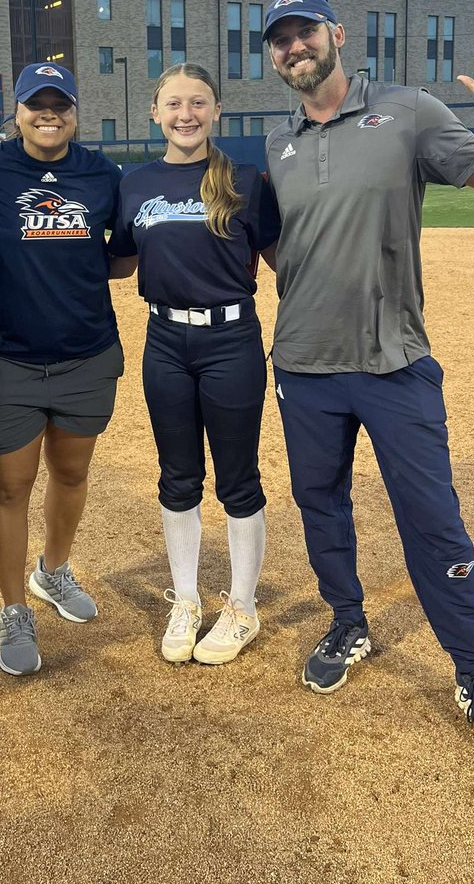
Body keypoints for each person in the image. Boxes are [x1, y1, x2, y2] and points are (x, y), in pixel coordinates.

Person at [261, 0, 474, 763]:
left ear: (336, 36)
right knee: (320, 504)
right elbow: (280, 241)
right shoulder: (277, 141)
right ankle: (348, 623)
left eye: (303, 33)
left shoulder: (406, 110)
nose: (293, 49)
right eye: (279, 41)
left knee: (433, 519)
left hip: (393, 362)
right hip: (303, 365)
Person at [0, 64, 123, 676]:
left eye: (60, 105)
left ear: (75, 112)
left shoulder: (101, 173)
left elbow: (123, 255)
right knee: (10, 485)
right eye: (36, 105)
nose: (49, 114)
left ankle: (53, 571)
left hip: (86, 353)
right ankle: (14, 605)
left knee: (71, 474)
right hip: (8, 357)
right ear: (16, 112)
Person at [109, 64, 281, 665]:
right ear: (154, 112)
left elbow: (286, 261)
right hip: (165, 342)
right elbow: (120, 261)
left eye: (199, 103)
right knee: (177, 476)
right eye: (174, 103)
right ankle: (186, 599)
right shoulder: (134, 183)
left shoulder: (243, 179)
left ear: (216, 111)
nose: (186, 114)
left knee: (238, 478)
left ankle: (241, 607)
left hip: (231, 340)